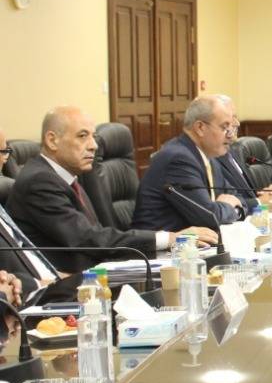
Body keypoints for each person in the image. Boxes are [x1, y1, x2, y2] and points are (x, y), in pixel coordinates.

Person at [7, 106, 215, 273]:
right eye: (82, 136)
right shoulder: (40, 182)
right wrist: (170, 238)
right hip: (67, 289)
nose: (93, 146)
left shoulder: (67, 176)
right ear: (52, 140)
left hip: (96, 275)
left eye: (93, 136)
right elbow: (88, 239)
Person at [133, 97, 249, 234]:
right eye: (224, 127)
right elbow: (209, 217)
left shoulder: (208, 157)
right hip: (163, 245)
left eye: (231, 127)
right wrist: (229, 205)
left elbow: (240, 200)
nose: (231, 136)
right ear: (200, 128)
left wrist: (229, 207)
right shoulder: (179, 159)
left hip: (198, 242)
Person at [211, 96, 272, 213]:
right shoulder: (212, 157)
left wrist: (269, 193)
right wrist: (259, 201)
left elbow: (248, 194)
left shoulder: (234, 151)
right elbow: (225, 201)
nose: (237, 123)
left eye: (236, 117)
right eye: (231, 118)